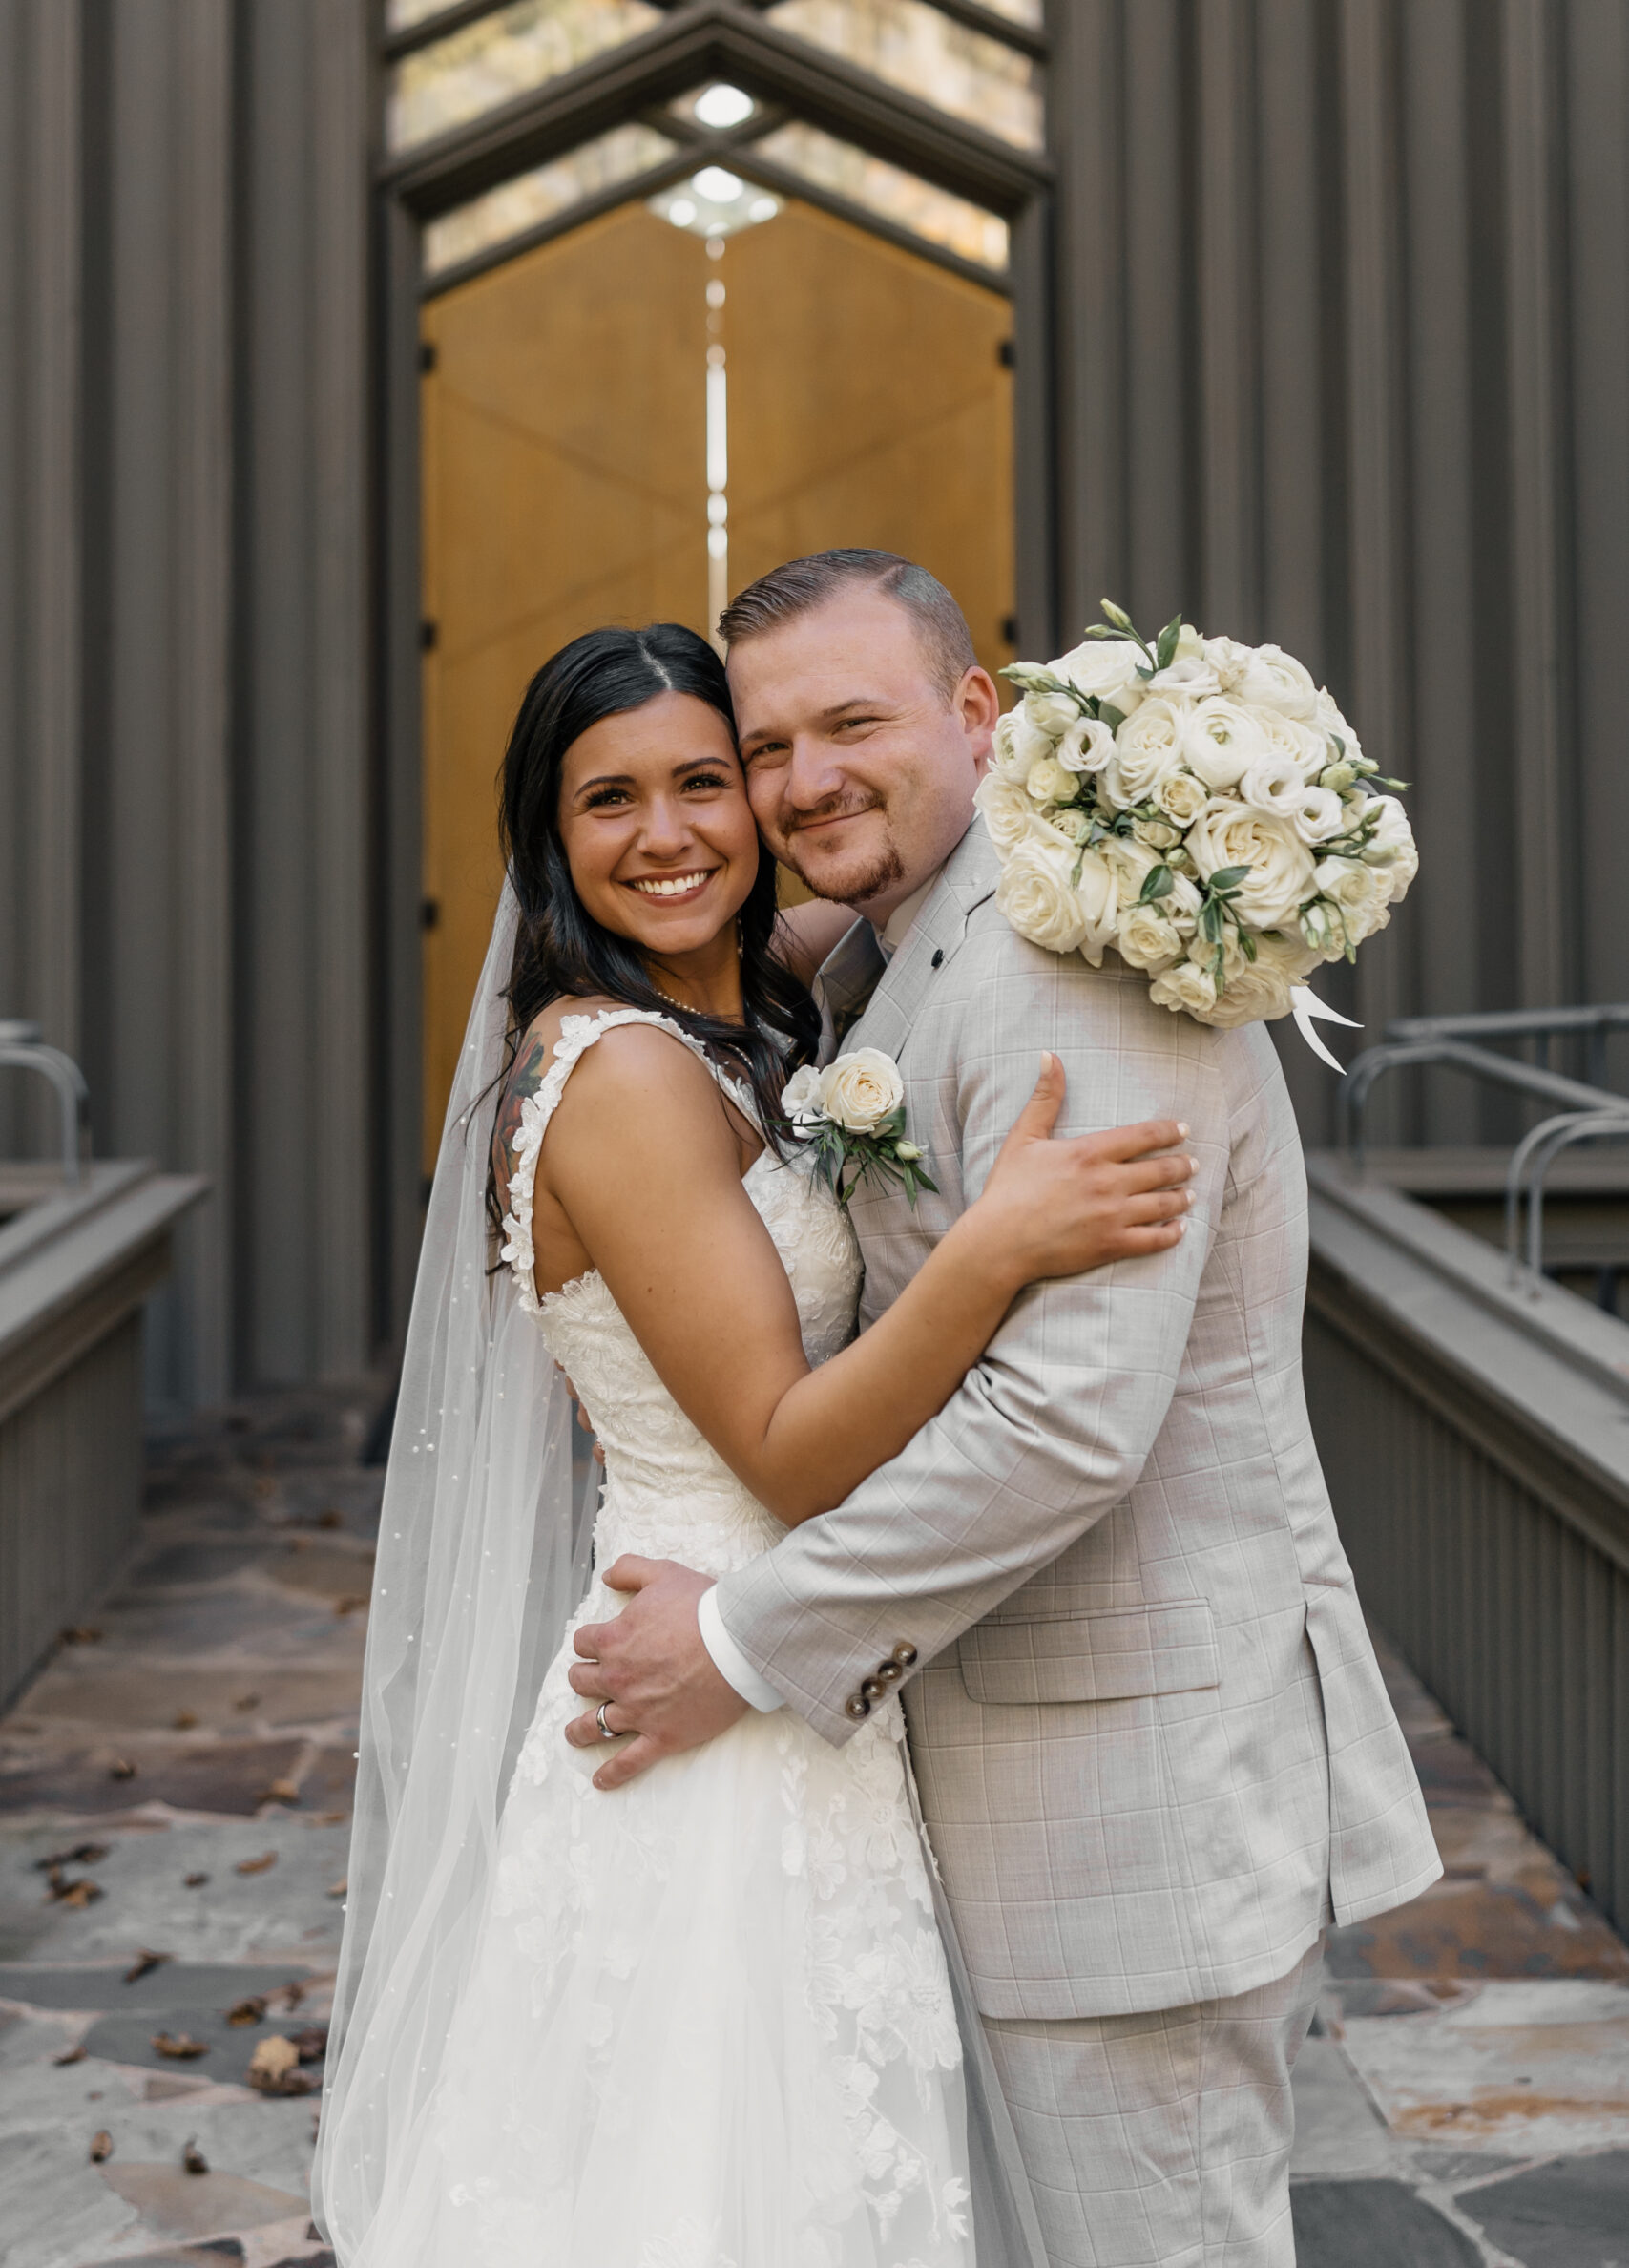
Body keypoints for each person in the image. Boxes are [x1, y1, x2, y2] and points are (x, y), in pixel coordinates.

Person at [566, 554, 1443, 2268]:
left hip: (1131, 1810)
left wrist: (745, 1636)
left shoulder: (1072, 964)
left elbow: (1065, 1425)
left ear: (980, 713)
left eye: (854, 722)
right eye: (768, 747)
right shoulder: (910, 946)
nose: (805, 778)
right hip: (1012, 1788)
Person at [314, 619, 1197, 2267]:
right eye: (609, 801)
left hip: (797, 1674)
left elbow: (900, 864)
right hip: (710, 1682)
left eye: (707, 782)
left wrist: (1132, 801)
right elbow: (788, 1450)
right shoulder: (626, 1077)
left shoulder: (760, 1008)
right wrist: (999, 1243)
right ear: (547, 841)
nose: (667, 835)